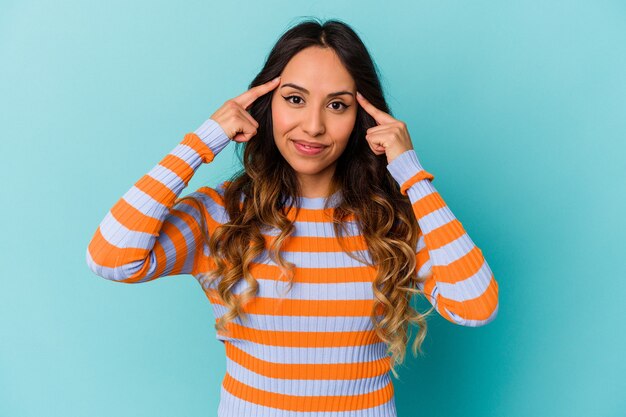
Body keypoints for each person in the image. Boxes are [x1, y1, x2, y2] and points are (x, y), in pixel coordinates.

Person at [86, 18, 499, 417]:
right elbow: (110, 258)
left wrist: (410, 173)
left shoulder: (389, 221)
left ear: (363, 119)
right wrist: (200, 141)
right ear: (266, 105)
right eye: (295, 99)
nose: (314, 126)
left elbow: (476, 305)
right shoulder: (221, 214)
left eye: (338, 105)